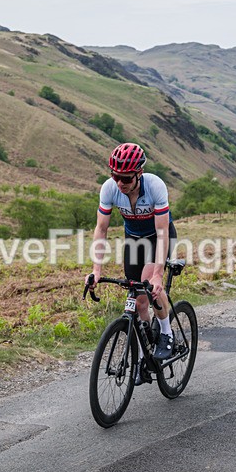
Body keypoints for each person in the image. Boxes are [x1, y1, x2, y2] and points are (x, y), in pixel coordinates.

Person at [86, 143, 177, 374]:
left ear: (139, 173)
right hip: (135, 240)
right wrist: (96, 270)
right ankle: (147, 352)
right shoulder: (109, 189)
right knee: (138, 301)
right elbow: (101, 229)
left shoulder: (155, 186)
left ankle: (167, 333)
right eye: (115, 176)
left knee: (149, 283)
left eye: (125, 178)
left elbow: (162, 233)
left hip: (159, 237)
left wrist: (158, 274)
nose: (120, 183)